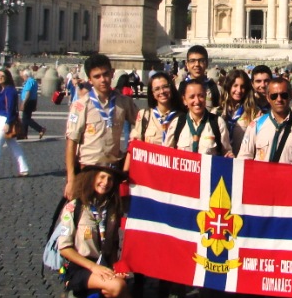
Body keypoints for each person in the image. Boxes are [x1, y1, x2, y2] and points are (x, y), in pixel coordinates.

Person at [161, 79, 233, 298]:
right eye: (191, 97)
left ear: (207, 97)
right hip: (182, 194)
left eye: (200, 96)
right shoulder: (178, 123)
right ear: (184, 100)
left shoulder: (217, 122)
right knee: (177, 243)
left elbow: (226, 152)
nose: (196, 101)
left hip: (209, 196)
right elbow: (166, 155)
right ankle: (176, 290)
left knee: (209, 243)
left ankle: (207, 292)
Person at [58, 165, 136, 298]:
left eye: (110, 179)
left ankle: (97, 293)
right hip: (80, 266)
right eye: (101, 177)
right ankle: (77, 293)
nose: (105, 182)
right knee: (116, 287)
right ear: (92, 177)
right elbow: (65, 249)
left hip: (103, 264)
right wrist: (93, 267)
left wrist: (116, 268)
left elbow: (113, 243)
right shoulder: (74, 207)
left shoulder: (113, 207)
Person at [65, 54, 138, 199]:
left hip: (112, 170)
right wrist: (71, 179)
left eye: (105, 74)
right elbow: (71, 143)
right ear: (89, 79)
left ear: (112, 73)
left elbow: (141, 123)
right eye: (97, 76)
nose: (103, 80)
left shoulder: (123, 102)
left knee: (112, 216)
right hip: (88, 169)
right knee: (85, 217)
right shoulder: (81, 105)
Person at [237, 78, 292, 165]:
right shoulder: (256, 125)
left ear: (291, 95)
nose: (279, 99)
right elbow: (244, 157)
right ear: (268, 98)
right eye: (274, 96)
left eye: (284, 95)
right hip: (262, 178)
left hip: (290, 178)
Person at [129, 71, 185, 148]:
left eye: (165, 86)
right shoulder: (144, 115)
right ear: (152, 93)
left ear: (171, 88)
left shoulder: (182, 117)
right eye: (157, 89)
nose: (162, 91)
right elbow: (134, 147)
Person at [218, 69, 260, 155]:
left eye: (242, 87)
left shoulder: (254, 113)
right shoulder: (218, 112)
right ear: (229, 86)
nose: (239, 90)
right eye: (235, 85)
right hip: (220, 161)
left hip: (242, 162)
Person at [19, 69, 47, 140]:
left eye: (23, 76)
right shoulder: (34, 82)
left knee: (26, 119)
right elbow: (36, 94)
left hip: (28, 101)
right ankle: (24, 134)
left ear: (26, 75)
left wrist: (23, 103)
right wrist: (35, 104)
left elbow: (28, 93)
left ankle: (40, 129)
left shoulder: (29, 82)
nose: (22, 77)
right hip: (32, 101)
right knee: (25, 118)